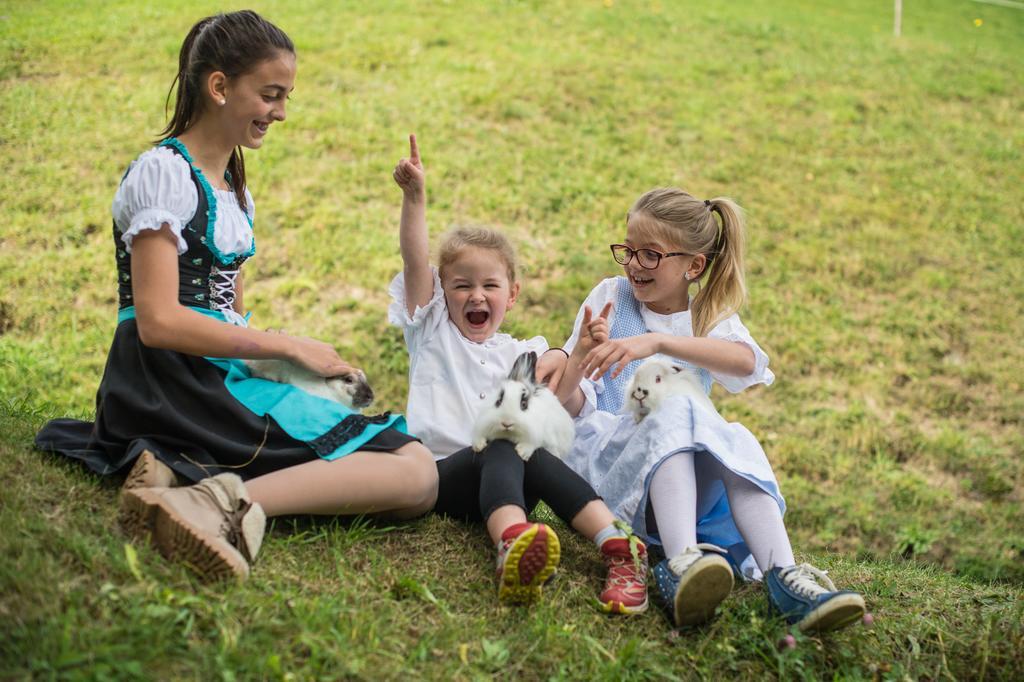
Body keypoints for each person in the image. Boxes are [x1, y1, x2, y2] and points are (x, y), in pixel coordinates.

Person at [34, 10, 437, 583]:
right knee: (415, 473)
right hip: (172, 378)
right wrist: (289, 346)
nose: (280, 112)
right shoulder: (163, 173)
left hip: (214, 373)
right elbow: (156, 321)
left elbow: (228, 313)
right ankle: (214, 503)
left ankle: (188, 479)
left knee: (412, 480)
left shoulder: (233, 192)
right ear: (219, 86)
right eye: (270, 94)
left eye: (286, 97)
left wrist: (280, 364)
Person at [555, 187, 866, 632]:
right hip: (613, 471)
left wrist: (658, 343)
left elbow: (747, 361)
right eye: (628, 250)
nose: (633, 265)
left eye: (651, 255)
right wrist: (581, 352)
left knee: (733, 435)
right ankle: (680, 565)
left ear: (693, 266)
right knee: (676, 404)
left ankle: (783, 576)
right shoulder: (611, 297)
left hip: (679, 493)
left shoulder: (705, 315)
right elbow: (567, 400)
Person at [389, 135, 647, 611]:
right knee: (501, 445)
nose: (476, 296)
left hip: (512, 483)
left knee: (530, 451)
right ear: (442, 292)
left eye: (490, 285)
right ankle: (511, 543)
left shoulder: (523, 352)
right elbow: (412, 258)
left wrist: (578, 352)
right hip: (446, 475)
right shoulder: (433, 332)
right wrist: (415, 197)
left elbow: (561, 403)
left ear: (513, 294)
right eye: (461, 285)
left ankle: (619, 548)